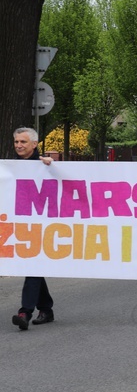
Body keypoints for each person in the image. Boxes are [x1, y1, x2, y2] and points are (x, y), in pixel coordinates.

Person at [12, 128, 56, 331]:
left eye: (23, 142)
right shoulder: (10, 167)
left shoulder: (45, 165)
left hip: (44, 226)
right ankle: (46, 308)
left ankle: (25, 312)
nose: (19, 145)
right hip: (20, 225)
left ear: (35, 144)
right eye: (16, 142)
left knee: (33, 265)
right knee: (35, 266)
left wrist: (49, 166)